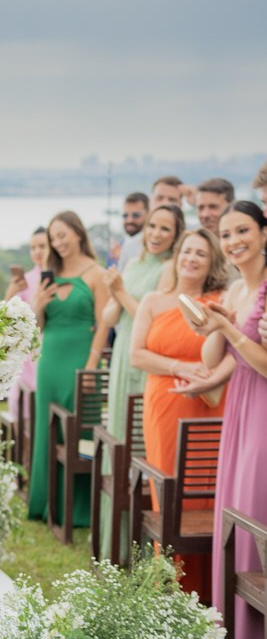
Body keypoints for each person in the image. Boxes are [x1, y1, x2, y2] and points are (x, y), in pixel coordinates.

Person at [175, 202, 267, 639]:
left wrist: (229, 329)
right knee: (230, 518)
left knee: (255, 523)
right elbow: (231, 357)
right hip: (239, 410)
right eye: (227, 233)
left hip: (264, 418)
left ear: (263, 232)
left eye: (243, 231)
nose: (233, 241)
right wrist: (210, 332)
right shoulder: (235, 288)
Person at [129, 227, 229, 598]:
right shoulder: (154, 300)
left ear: (212, 262)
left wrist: (203, 373)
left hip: (211, 403)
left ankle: (208, 590)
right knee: (169, 492)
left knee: (207, 494)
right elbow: (136, 354)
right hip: (165, 402)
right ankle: (169, 588)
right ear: (177, 255)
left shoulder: (218, 302)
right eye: (187, 251)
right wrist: (179, 367)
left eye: (201, 253)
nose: (191, 258)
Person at [97, 202, 183, 560]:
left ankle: (143, 548)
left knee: (140, 449)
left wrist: (119, 292)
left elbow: (151, 320)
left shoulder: (167, 271)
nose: (157, 234)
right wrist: (112, 290)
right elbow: (110, 316)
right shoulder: (134, 263)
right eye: (153, 227)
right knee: (118, 442)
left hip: (144, 361)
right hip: (121, 359)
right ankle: (113, 545)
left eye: (166, 228)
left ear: (176, 235)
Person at [27, 211, 109, 525]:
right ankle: (47, 503)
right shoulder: (50, 273)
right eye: (53, 238)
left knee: (81, 432)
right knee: (46, 432)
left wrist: (90, 367)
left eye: (62, 235)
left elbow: (103, 325)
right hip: (51, 361)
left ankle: (80, 510)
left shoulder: (96, 274)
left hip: (82, 360)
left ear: (77, 233)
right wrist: (39, 306)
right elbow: (40, 326)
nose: (58, 243)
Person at [3, 227, 48, 420]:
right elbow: (6, 315)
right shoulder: (26, 280)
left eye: (42, 246)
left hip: (49, 344)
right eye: (33, 247)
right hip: (29, 349)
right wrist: (12, 291)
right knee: (23, 402)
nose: (37, 251)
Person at [117, 192, 150, 270]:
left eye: (136, 215)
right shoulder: (127, 240)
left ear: (149, 214)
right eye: (125, 216)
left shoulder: (150, 245)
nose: (129, 220)